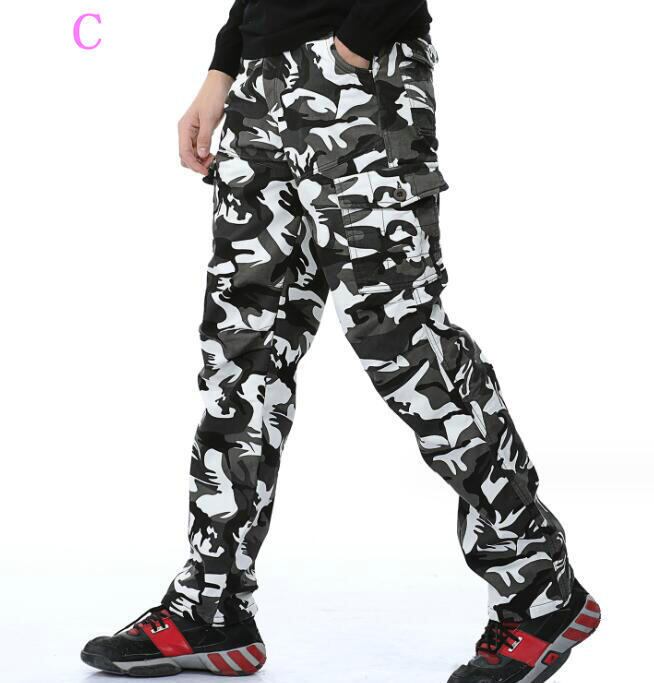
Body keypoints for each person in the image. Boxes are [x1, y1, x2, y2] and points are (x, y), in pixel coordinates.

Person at [81, 2, 600, 681]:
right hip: (259, 87)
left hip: (358, 74)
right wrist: (224, 66)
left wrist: (350, 50)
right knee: (240, 356)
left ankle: (540, 584)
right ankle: (212, 604)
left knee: (405, 346)